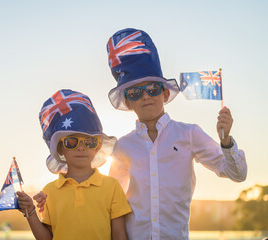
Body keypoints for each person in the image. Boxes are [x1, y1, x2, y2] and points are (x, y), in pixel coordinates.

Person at [105, 28, 247, 240]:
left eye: (152, 88)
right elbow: (111, 201)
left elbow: (237, 174)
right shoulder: (123, 146)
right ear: (128, 102)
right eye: (135, 92)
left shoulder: (189, 134)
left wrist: (226, 141)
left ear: (165, 93)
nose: (145, 97)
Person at [16, 89, 132, 240]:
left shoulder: (112, 186)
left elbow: (119, 234)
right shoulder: (49, 191)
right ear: (60, 148)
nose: (81, 147)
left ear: (97, 147)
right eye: (72, 142)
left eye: (89, 142)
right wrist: (30, 211)